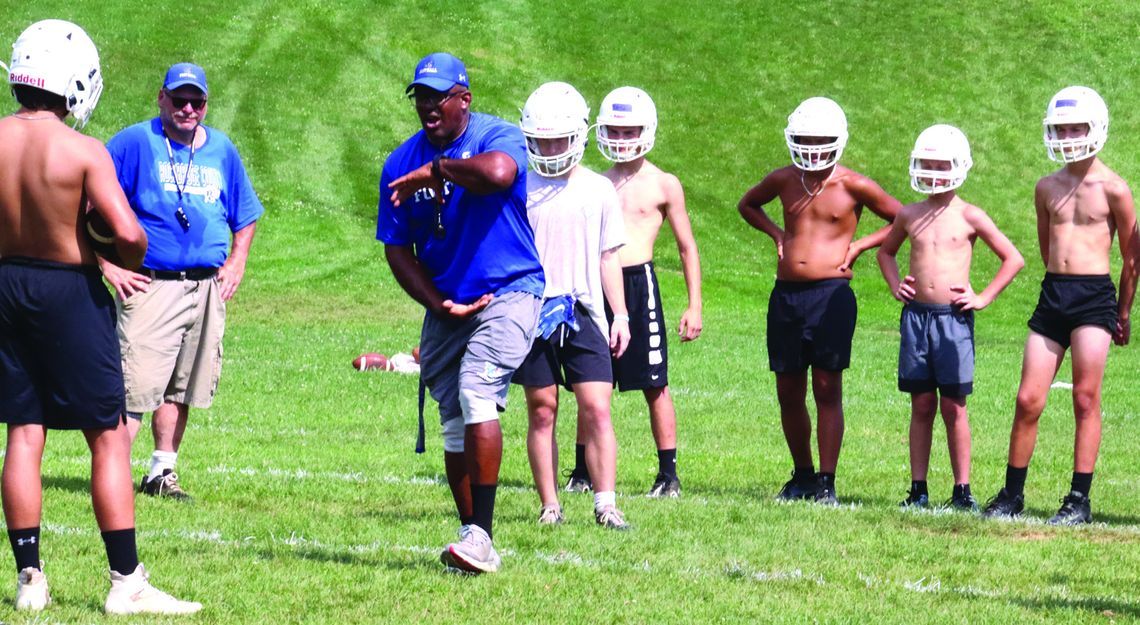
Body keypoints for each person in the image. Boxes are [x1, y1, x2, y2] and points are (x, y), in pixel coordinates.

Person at [0, 19, 201, 614]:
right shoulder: (83, 150)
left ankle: (30, 579)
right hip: (68, 293)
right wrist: (114, 257)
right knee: (109, 435)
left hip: (6, 284)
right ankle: (125, 582)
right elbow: (131, 234)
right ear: (76, 83)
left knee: (23, 430)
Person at [378, 52, 544, 573]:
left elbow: (499, 174)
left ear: (464, 99)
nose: (428, 106)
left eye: (439, 96)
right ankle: (476, 538)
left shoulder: (497, 136)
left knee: (478, 391)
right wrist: (437, 302)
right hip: (449, 301)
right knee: (453, 419)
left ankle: (481, 535)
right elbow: (397, 248)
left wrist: (438, 170)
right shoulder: (398, 161)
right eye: (421, 97)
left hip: (510, 291)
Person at [101, 62, 264, 501]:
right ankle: (111, 475)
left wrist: (237, 261)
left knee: (183, 384)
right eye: (179, 99)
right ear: (161, 98)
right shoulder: (136, 142)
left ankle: (161, 473)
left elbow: (245, 215)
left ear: (206, 105)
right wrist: (107, 265)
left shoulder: (222, 150)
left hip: (206, 287)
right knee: (135, 385)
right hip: (152, 284)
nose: (187, 108)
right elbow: (85, 203)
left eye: (197, 101)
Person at [983, 86, 1138, 525]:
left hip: (1094, 299)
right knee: (1028, 398)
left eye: (1077, 127)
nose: (1069, 136)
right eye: (1061, 128)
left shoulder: (1115, 189)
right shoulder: (1046, 186)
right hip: (1054, 294)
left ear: (1096, 129)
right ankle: (1012, 494)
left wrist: (1122, 312)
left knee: (1085, 398)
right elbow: (1045, 244)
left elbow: (1131, 259)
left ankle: (1078, 500)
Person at [738, 96, 900, 504]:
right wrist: (777, 234)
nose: (812, 148)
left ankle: (827, 481)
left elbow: (904, 217)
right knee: (788, 390)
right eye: (805, 139)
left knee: (827, 387)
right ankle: (803, 475)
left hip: (831, 296)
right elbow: (747, 204)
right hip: (787, 296)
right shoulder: (784, 178)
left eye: (821, 139)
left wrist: (861, 244)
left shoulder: (853, 184)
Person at [877, 124, 1024, 511]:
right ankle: (918, 489)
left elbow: (1014, 258)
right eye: (927, 164)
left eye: (941, 164)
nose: (933, 172)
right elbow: (885, 253)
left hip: (952, 321)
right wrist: (896, 286)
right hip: (917, 319)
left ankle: (962, 490)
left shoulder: (970, 215)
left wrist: (983, 297)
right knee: (921, 404)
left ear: (959, 166)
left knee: (953, 406)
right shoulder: (910, 214)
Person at [572, 86, 702, 499]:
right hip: (596, 283)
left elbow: (686, 246)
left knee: (654, 383)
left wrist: (694, 303)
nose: (622, 139)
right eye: (615, 130)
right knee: (589, 380)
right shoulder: (595, 182)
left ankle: (668, 474)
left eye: (630, 132)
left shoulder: (664, 183)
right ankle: (581, 469)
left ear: (646, 131)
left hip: (640, 285)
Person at [513, 81, 630, 528]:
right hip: (533, 311)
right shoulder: (519, 186)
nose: (549, 148)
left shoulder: (599, 189)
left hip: (583, 311)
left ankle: (606, 503)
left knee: (597, 406)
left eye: (558, 139)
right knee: (542, 409)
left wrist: (619, 314)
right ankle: (550, 505)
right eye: (541, 140)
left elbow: (608, 256)